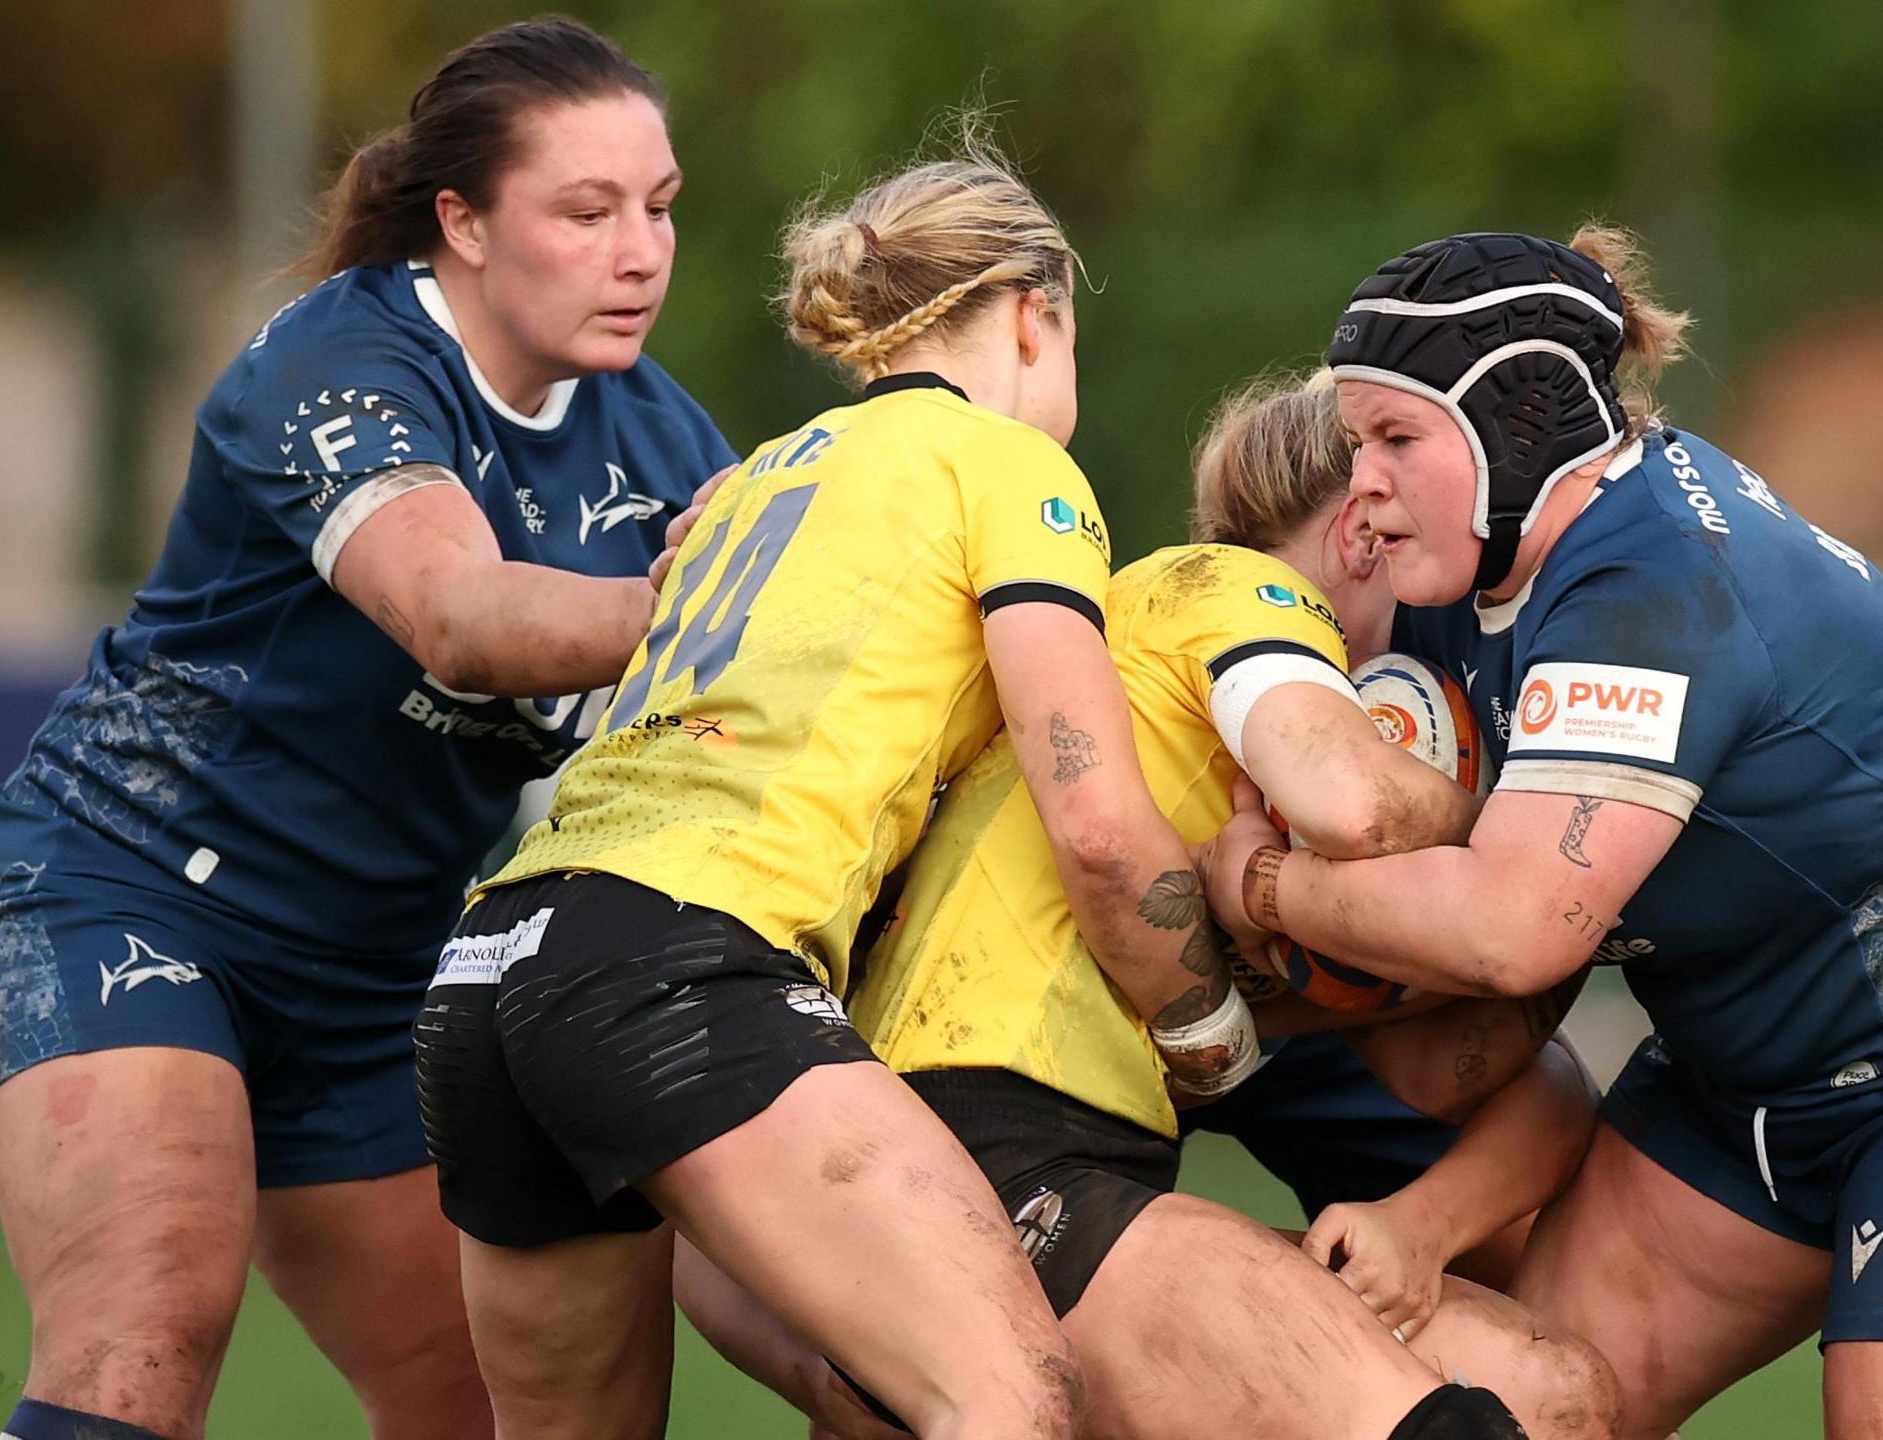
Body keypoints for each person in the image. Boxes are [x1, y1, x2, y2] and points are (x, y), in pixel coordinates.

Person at [1196, 227, 1883, 1440]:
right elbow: (1460, 1047)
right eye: (1355, 445)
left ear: (1519, 426)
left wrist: (1263, 889)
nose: (1365, 489)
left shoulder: (1646, 582)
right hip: (1746, 1074)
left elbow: (1511, 930)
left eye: (1396, 440)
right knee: (1529, 1408)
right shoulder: (1481, 569)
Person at [414, 126, 1274, 1440]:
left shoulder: (752, 479)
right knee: (1013, 1399)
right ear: (1034, 311)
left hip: (491, 969)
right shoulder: (1011, 466)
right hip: (677, 962)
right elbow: (1099, 829)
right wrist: (1209, 1030)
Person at [0, 20, 730, 1440]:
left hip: (379, 976)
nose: (640, 254)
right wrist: (734, 607)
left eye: (661, 207)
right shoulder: (339, 360)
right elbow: (458, 616)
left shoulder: (670, 447)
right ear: (463, 222)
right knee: (141, 1343)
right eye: (586, 211)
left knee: (481, 1400)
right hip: (128, 887)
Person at [781, 372, 1612, 1440]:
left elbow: (1471, 1067)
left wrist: (1418, 1218)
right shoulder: (1227, 590)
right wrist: (1532, 845)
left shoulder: (1208, 757)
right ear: (1358, 531)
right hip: (986, 1134)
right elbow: (1357, 803)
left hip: (1046, 1156)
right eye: (1405, 563)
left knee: (1555, 1392)